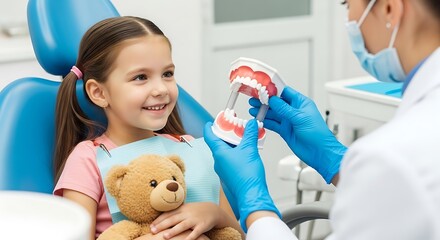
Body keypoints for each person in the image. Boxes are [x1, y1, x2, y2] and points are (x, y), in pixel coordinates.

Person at [204, 0, 440, 239]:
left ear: (390, 8)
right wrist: (336, 161)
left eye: (348, 5)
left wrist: (254, 205)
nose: (350, 20)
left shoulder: (392, 159)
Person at [53, 16, 244, 240]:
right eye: (141, 77)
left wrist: (215, 214)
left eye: (167, 74)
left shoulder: (191, 149)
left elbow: (239, 235)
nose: (161, 88)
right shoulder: (88, 159)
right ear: (99, 93)